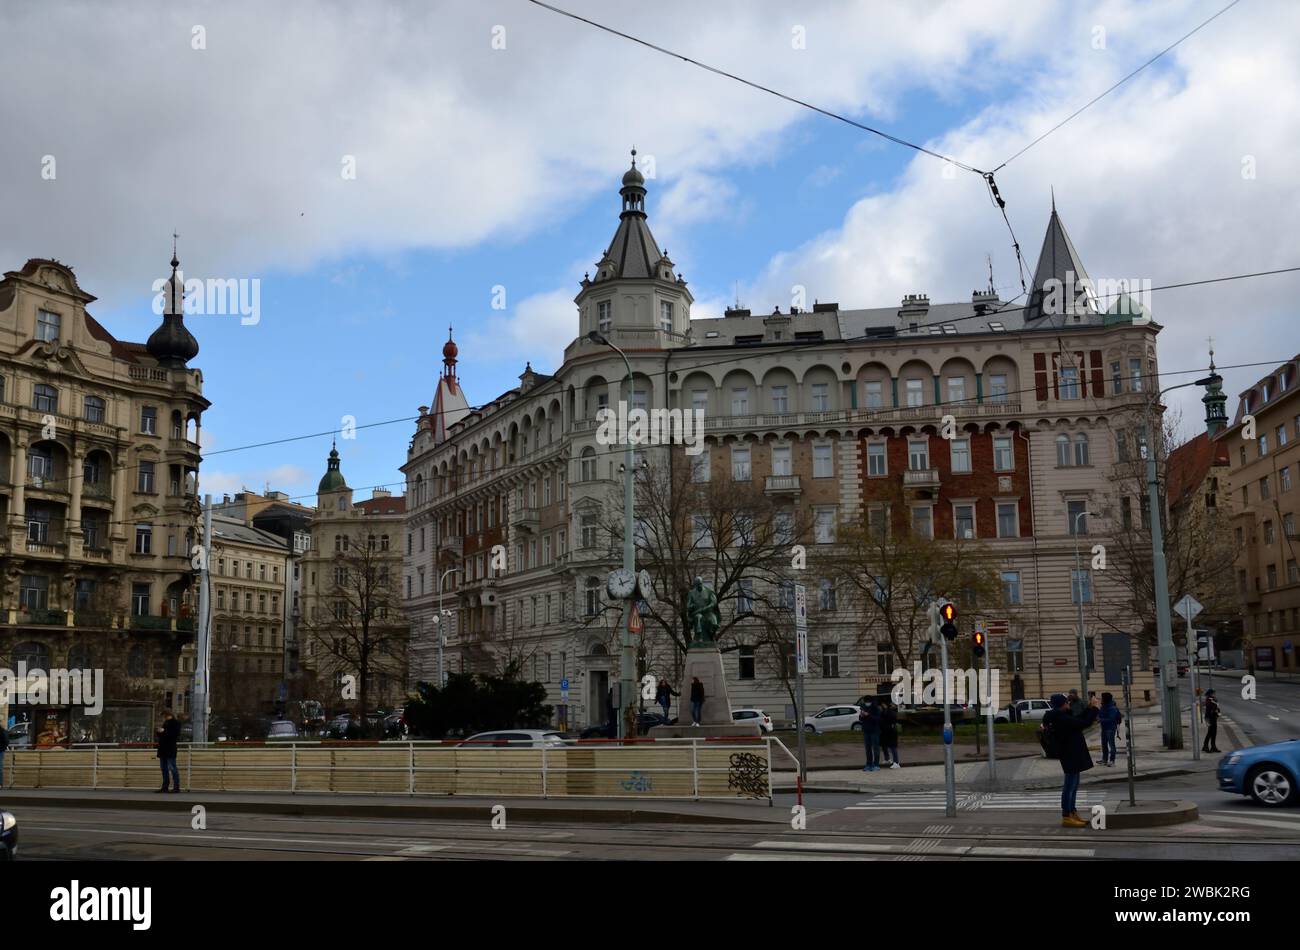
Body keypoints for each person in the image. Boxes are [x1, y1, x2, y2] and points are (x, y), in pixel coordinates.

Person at [1042, 692, 1100, 827]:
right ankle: (1067, 815)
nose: (1069, 704)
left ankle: (1072, 812)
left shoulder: (1062, 716)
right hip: (1069, 754)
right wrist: (1095, 708)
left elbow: (1078, 720)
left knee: (1073, 786)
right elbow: (1084, 723)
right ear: (1062, 705)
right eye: (1067, 702)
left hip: (1072, 753)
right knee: (1069, 786)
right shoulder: (1060, 719)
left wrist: (1089, 708)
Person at [156, 709, 181, 793]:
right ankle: (165, 786)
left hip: (170, 748)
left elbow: (175, 735)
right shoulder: (166, 723)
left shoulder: (175, 723)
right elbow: (161, 735)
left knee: (172, 768)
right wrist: (159, 732)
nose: (163, 718)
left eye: (164, 716)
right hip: (163, 749)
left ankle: (176, 787)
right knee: (164, 769)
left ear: (167, 715)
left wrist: (164, 731)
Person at [1097, 692, 1122, 766]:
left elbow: (1111, 719)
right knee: (1104, 744)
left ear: (1105, 699)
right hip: (1104, 728)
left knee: (1111, 745)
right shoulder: (1103, 706)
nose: (1101, 699)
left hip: (1110, 728)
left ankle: (1112, 761)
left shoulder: (1112, 708)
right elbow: (1100, 714)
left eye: (1102, 698)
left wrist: (1100, 720)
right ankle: (1104, 760)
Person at [858, 698, 881, 772]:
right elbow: (860, 719)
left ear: (871, 702)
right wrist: (861, 715)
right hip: (866, 730)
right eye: (866, 702)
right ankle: (869, 764)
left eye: (868, 702)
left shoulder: (876, 708)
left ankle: (876, 764)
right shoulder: (864, 708)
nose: (867, 703)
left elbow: (877, 719)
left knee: (875, 748)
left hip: (874, 731)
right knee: (868, 749)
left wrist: (868, 715)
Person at [879, 699, 900, 769]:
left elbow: (893, 719)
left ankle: (896, 762)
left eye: (884, 704)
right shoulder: (883, 711)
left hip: (891, 732)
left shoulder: (891, 712)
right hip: (884, 731)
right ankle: (887, 759)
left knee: (893, 746)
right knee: (884, 745)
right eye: (882, 704)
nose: (882, 706)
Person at [1202, 689, 1221, 753]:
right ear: (1210, 694)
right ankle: (1205, 746)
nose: (1214, 694)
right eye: (1213, 693)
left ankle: (1213, 746)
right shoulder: (1209, 700)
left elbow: (1216, 708)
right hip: (1209, 718)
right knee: (1210, 732)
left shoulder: (1213, 700)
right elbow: (1210, 709)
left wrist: (1217, 712)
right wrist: (1215, 711)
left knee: (1214, 733)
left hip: (1213, 717)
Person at [0, 722, 8, 789]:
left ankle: (0, 783)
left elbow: (6, 741)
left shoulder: (2, 731)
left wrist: (2, 749)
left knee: (0, 768)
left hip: (0, 751)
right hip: (1, 750)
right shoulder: (3, 731)